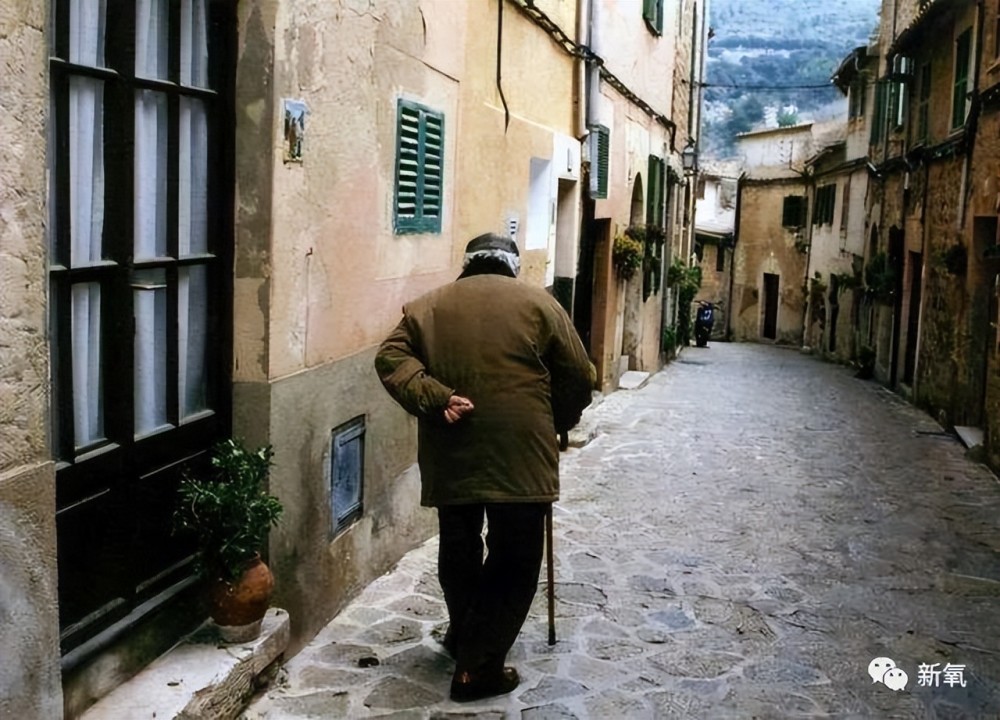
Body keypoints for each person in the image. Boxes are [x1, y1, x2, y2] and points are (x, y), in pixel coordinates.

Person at [374, 232, 595, 702]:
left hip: (452, 450)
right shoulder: (542, 305)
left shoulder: (425, 307)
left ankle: (464, 632)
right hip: (522, 454)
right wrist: (554, 418)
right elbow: (580, 374)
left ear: (466, 264)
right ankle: (478, 668)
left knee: (459, 547)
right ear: (512, 266)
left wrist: (436, 398)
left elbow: (390, 357)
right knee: (515, 557)